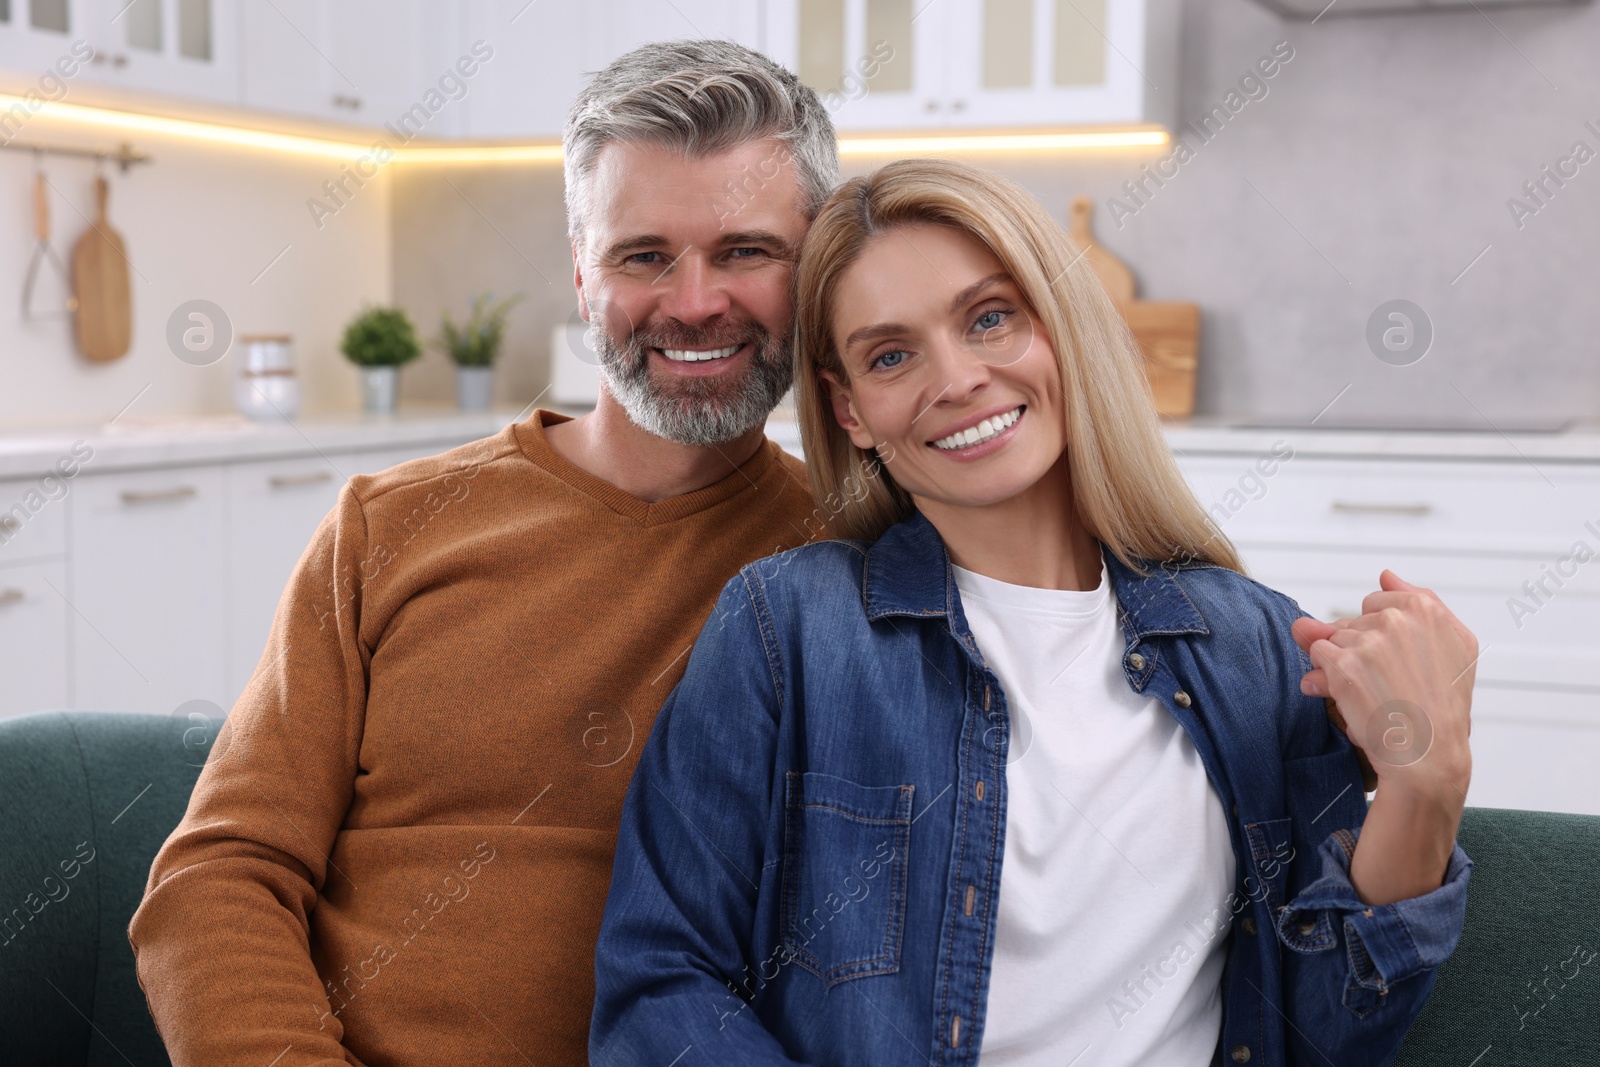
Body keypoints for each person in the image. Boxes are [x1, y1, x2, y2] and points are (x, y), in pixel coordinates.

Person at [590, 158, 1475, 1067]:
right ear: (850, 409)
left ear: (1059, 326)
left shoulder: (1251, 641)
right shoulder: (789, 631)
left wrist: (1425, 782)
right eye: (891, 355)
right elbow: (660, 987)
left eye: (990, 318)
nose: (958, 378)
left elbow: (1325, 1034)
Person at [128, 40, 838, 1066]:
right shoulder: (387, 526)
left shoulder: (860, 558)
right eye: (643, 254)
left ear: (815, 260)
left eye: (744, 250)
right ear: (581, 270)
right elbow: (220, 871)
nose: (692, 302)